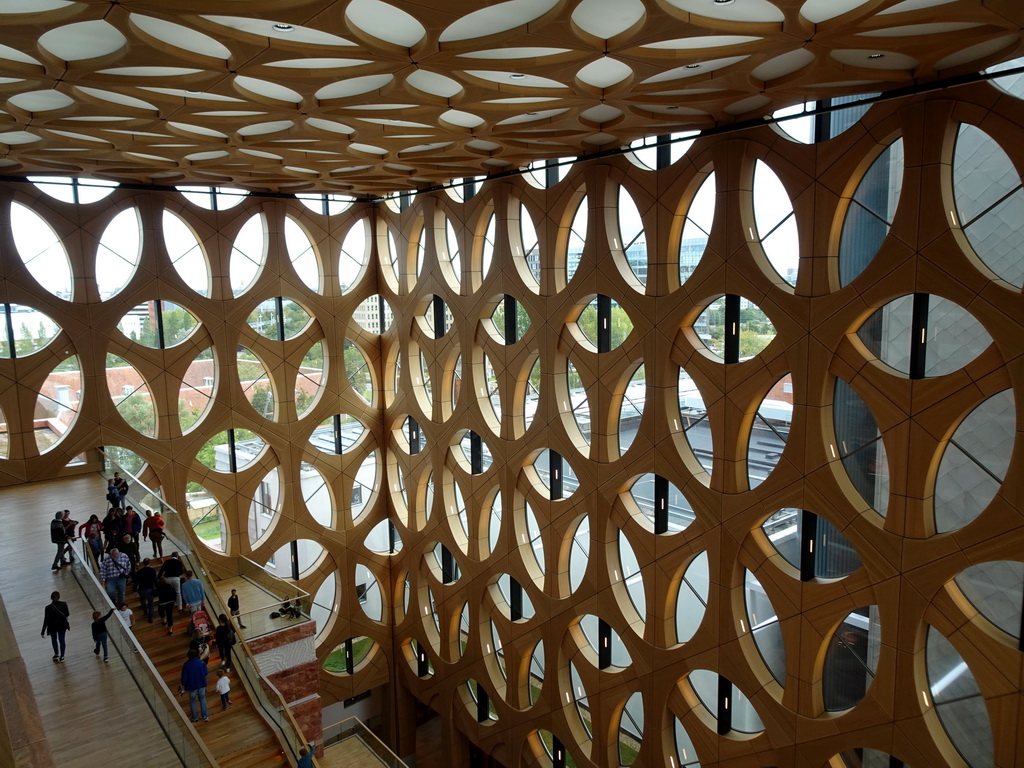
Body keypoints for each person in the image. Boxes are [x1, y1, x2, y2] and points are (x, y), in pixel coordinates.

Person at [179, 648, 209, 723]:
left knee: (192, 701)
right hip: (201, 684)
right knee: (202, 699)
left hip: (192, 686)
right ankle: (205, 716)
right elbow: (205, 672)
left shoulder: (186, 665)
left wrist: (183, 685)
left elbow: (184, 678)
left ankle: (195, 717)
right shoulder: (201, 662)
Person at [40, 591, 69, 662]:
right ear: (59, 597)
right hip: (62, 625)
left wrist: (43, 631)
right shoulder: (64, 604)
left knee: (54, 640)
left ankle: (56, 654)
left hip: (52, 626)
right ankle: (62, 656)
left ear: (51, 598)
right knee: (62, 640)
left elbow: (46, 619)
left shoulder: (48, 608)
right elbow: (67, 614)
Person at [135, 558, 158, 622]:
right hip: (149, 588)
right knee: (151, 603)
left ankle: (144, 609)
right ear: (149, 563)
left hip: (141, 589)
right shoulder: (152, 570)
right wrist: (157, 588)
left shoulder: (139, 571)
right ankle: (150, 617)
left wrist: (135, 590)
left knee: (142, 600)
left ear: (143, 563)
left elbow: (136, 581)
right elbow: (155, 580)